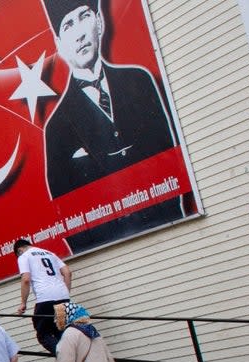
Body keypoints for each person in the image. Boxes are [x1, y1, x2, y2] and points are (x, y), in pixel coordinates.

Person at [42, 0, 184, 251]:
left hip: (168, 228)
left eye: (84, 16)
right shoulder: (56, 127)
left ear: (99, 21)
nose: (80, 34)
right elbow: (67, 211)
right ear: (59, 44)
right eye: (68, 25)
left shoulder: (139, 82)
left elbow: (169, 160)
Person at [15, 238, 71, 355]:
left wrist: (23, 303)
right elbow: (67, 272)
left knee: (43, 334)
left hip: (45, 299)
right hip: (63, 298)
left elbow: (25, 279)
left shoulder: (24, 256)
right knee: (59, 330)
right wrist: (65, 292)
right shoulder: (50, 253)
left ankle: (66, 357)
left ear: (19, 250)